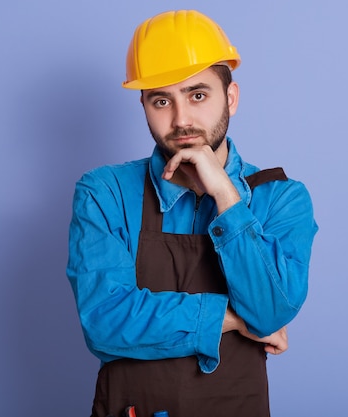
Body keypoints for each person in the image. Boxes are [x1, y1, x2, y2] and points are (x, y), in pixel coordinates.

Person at [67, 9, 318, 417]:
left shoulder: (281, 197)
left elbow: (271, 309)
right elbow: (104, 322)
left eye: (197, 95)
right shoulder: (105, 192)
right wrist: (235, 317)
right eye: (161, 100)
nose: (181, 119)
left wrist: (225, 194)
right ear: (144, 105)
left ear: (230, 98)